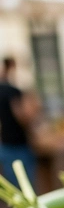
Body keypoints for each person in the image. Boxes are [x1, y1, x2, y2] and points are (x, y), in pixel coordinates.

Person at [0, 57, 38, 186]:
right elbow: (21, 116)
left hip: (5, 143)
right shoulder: (12, 91)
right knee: (26, 184)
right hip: (18, 143)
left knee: (13, 184)